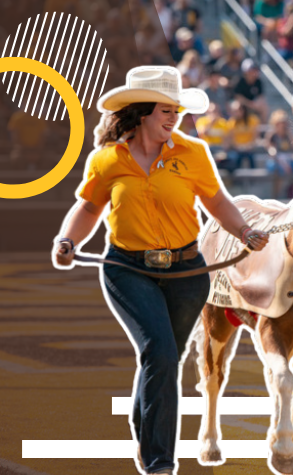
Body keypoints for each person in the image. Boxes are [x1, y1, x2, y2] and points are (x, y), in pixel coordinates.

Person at [51, 66, 269, 475]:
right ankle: (160, 463)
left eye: (177, 111)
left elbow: (217, 201)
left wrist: (244, 231)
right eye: (166, 110)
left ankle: (145, 429)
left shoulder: (193, 153)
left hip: (187, 275)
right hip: (127, 269)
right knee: (161, 352)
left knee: (163, 358)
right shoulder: (107, 159)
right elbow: (89, 207)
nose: (174, 118)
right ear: (141, 112)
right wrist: (67, 241)